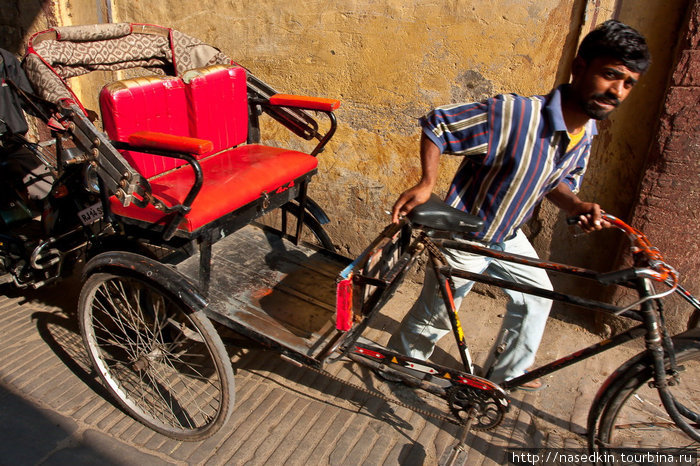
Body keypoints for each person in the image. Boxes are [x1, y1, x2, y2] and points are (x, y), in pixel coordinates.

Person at [386, 20, 651, 390]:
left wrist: (575, 205)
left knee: (536, 300)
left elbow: (554, 182)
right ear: (580, 67)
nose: (617, 91)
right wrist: (427, 182)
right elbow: (439, 124)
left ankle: (505, 374)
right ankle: (401, 362)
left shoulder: (585, 133)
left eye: (628, 84)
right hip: (466, 233)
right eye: (610, 75)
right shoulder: (514, 115)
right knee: (439, 313)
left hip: (509, 235)